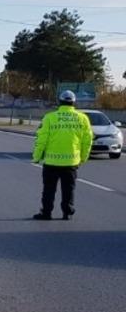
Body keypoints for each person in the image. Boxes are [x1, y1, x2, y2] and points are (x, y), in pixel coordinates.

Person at [31, 89, 93, 220]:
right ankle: (67, 213)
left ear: (59, 102)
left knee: (48, 189)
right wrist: (83, 157)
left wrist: (36, 157)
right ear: (74, 103)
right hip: (71, 162)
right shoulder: (83, 118)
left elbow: (41, 140)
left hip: (51, 162)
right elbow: (87, 141)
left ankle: (46, 213)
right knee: (69, 189)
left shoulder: (49, 117)